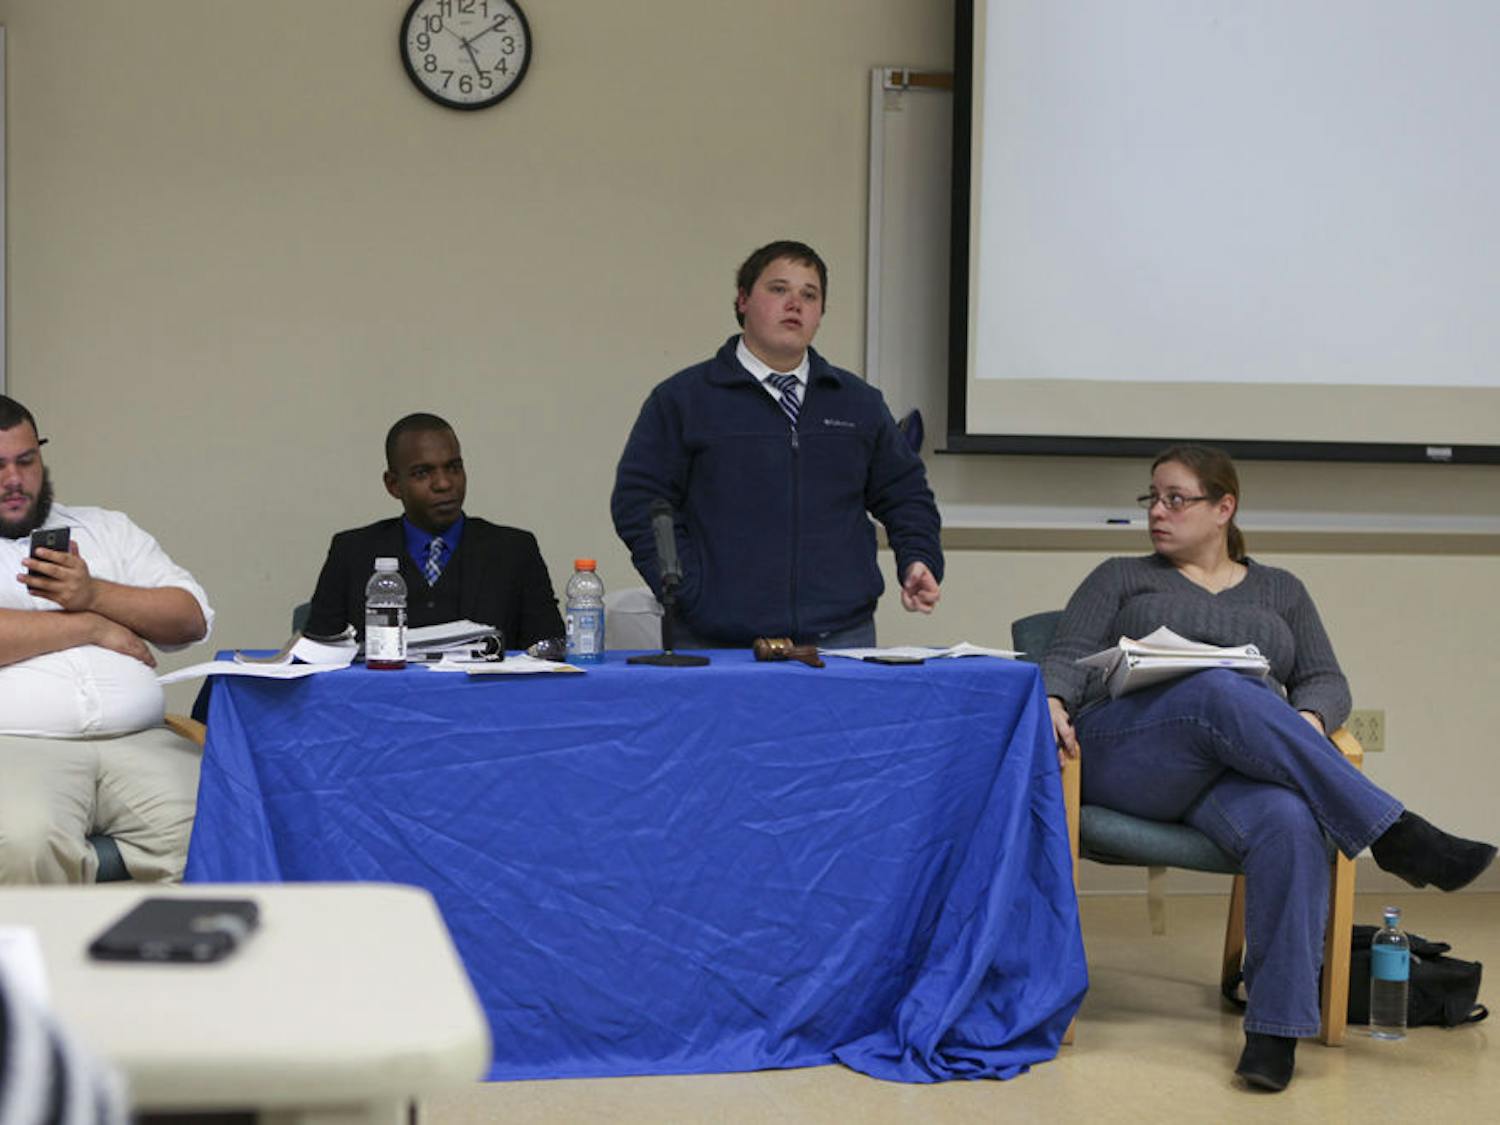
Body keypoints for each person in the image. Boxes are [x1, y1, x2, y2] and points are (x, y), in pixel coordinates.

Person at [1041, 443, 1496, 1092]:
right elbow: (1065, 654)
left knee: (1290, 819)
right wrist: (1053, 699)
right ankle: (1395, 833)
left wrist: (1306, 721)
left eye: (1177, 498)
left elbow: (1324, 679)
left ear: (1224, 507)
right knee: (1220, 690)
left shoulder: (1283, 590)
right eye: (1152, 498)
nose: (1158, 512)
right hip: (1130, 754)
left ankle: (1275, 1031)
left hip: (1224, 772)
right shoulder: (1119, 575)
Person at [610, 239, 942, 648]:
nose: (795, 304)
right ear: (743, 300)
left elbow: (905, 493)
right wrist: (689, 590)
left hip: (839, 636)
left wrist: (918, 557)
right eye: (779, 289)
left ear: (820, 314)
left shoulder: (858, 403)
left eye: (809, 294)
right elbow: (639, 500)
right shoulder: (684, 399)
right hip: (714, 637)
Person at [0, 395, 213, 883]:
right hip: (15, 745)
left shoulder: (105, 528)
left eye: (27, 460)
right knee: (24, 841)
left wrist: (92, 591)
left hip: (141, 741)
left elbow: (189, 617)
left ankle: (185, 954)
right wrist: (89, 624)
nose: (15, 479)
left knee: (224, 820)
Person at [304, 412, 564, 648]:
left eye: (454, 468)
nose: (443, 483)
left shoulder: (514, 551)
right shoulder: (352, 552)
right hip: (382, 698)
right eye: (422, 473)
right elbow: (319, 653)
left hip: (484, 698)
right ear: (393, 484)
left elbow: (550, 649)